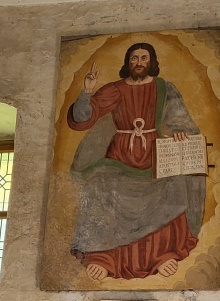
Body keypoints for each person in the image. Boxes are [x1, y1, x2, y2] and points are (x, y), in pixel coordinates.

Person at [66, 42, 206, 280]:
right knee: (97, 186)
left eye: (143, 58)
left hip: (155, 154)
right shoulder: (116, 89)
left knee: (174, 184)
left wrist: (178, 133)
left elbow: (180, 122)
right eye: (134, 58)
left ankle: (162, 255)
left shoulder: (164, 88)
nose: (139, 62)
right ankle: (103, 258)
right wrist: (86, 92)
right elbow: (83, 118)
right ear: (127, 62)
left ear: (151, 62)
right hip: (120, 156)